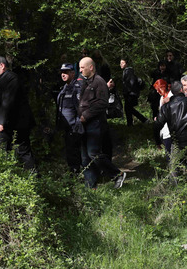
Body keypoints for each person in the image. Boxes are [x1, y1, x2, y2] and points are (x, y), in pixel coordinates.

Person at [77, 56, 125, 188]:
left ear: (91, 67)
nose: (80, 70)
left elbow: (102, 103)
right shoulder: (85, 82)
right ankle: (90, 186)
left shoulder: (99, 82)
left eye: (82, 67)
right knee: (85, 157)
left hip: (95, 124)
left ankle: (117, 174)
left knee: (93, 153)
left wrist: (86, 115)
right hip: (83, 125)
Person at [0, 55, 36, 171]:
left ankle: (31, 177)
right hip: (9, 124)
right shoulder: (4, 78)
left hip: (13, 124)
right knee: (5, 150)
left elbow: (8, 101)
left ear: (2, 65)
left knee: (20, 150)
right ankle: (9, 178)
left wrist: (1, 121)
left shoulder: (11, 78)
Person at [55, 63, 84, 173]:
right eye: (62, 72)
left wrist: (77, 124)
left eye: (66, 72)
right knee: (69, 151)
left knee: (74, 152)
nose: (63, 74)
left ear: (73, 73)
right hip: (66, 127)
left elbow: (80, 108)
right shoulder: (64, 88)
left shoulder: (76, 88)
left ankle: (77, 173)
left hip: (74, 127)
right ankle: (73, 172)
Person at [119, 57, 147, 126]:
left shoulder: (129, 71)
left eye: (123, 63)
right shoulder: (126, 71)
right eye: (120, 63)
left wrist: (127, 92)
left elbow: (131, 82)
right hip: (130, 93)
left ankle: (142, 120)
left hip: (130, 93)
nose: (121, 64)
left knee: (128, 108)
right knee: (129, 109)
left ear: (126, 64)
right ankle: (131, 124)